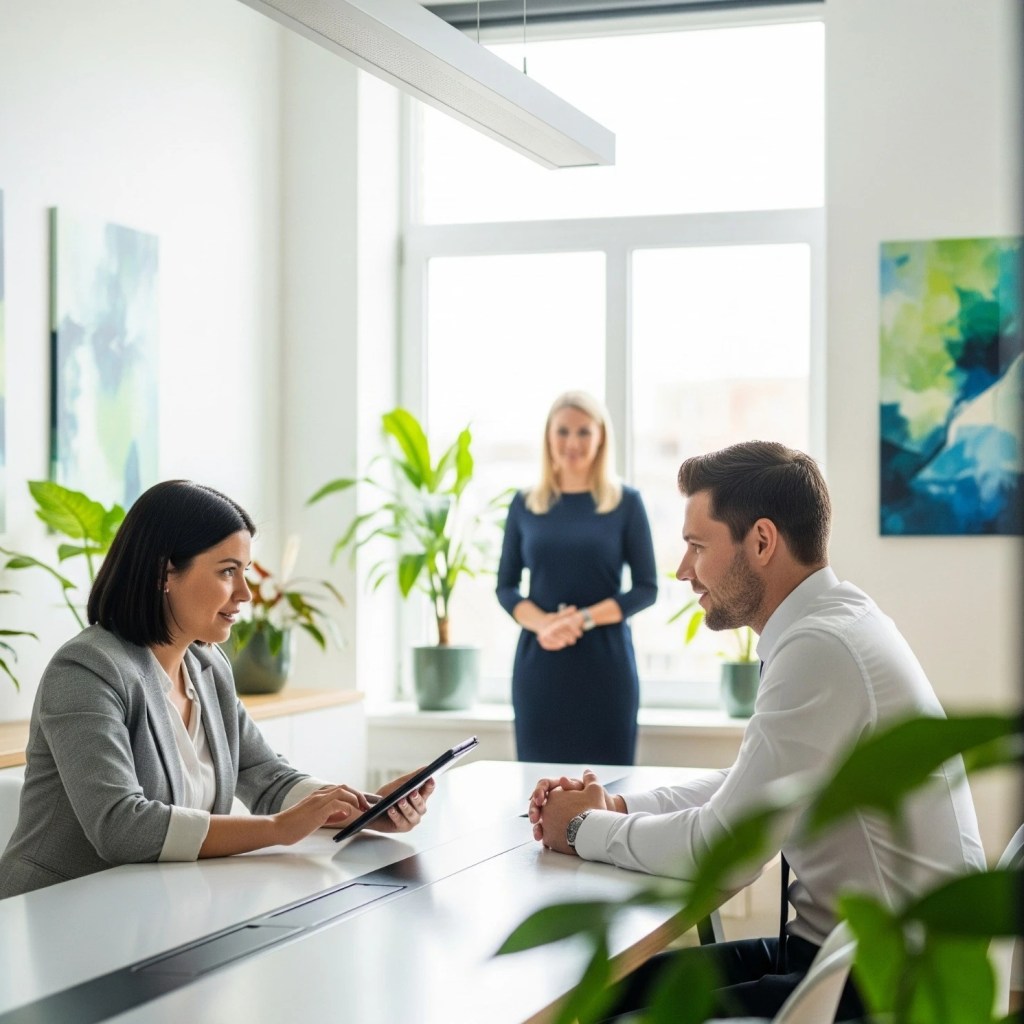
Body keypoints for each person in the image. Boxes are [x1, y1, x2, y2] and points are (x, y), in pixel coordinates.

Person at [527, 441, 985, 1020]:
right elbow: (752, 783)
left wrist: (584, 829)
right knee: (606, 996)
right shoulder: (832, 622)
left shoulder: (821, 647)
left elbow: (724, 849)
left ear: (762, 541)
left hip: (884, 988)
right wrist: (614, 805)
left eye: (697, 546)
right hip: (840, 957)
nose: (682, 571)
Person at [0, 480, 434, 899]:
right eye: (228, 571)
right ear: (162, 573)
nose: (245, 593)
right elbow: (121, 827)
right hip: (57, 914)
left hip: (156, 907)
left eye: (244, 571)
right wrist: (277, 829)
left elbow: (265, 776)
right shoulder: (85, 670)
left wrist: (365, 811)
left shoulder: (207, 667)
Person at [496, 391, 657, 765]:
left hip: (606, 667)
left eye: (584, 432)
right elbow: (505, 587)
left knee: (607, 792)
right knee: (537, 795)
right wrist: (546, 626)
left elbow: (646, 589)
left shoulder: (626, 502)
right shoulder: (524, 504)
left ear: (601, 437)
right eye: (563, 431)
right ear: (548, 437)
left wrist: (580, 619)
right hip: (541, 667)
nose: (572, 442)